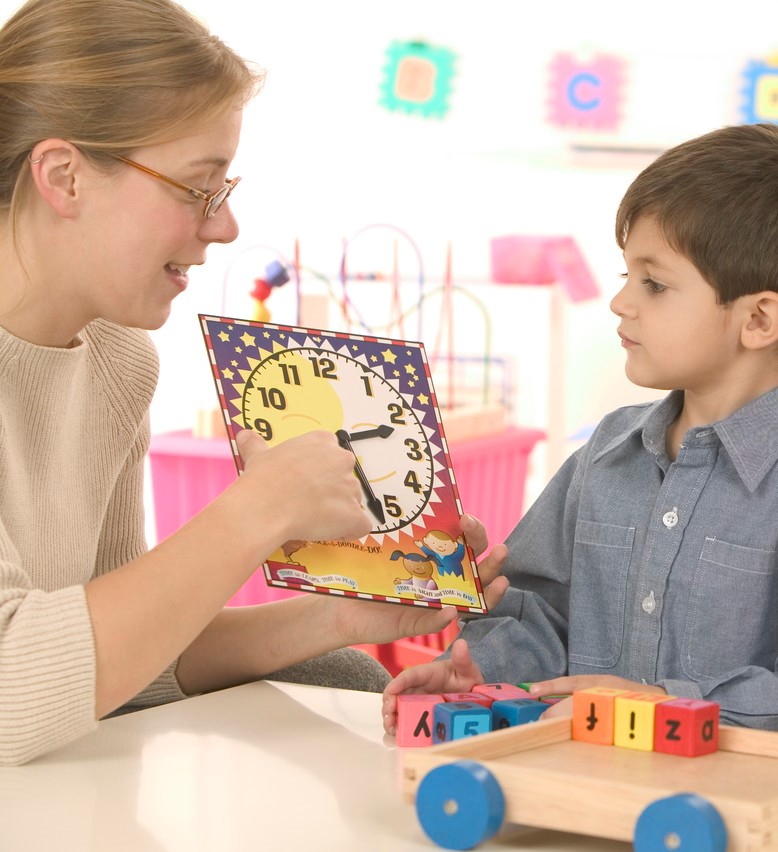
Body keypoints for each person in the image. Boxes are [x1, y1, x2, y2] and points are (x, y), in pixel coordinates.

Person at [0, 0, 507, 766]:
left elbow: (115, 661)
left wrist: (337, 618)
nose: (225, 226)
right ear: (65, 177)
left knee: (345, 671)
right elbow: (14, 690)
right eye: (196, 189)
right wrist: (255, 512)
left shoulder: (116, 362)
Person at [382, 122, 778, 734]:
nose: (622, 303)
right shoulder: (606, 453)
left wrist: (659, 703)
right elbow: (542, 613)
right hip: (580, 778)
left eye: (654, 284)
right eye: (626, 277)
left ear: (759, 319)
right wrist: (482, 668)